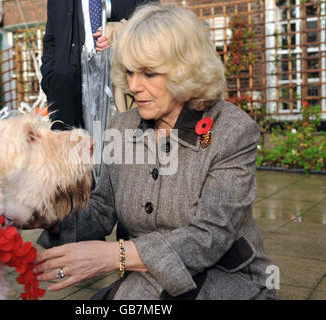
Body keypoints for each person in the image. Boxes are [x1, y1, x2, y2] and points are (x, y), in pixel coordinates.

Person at [33, 3, 276, 300]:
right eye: (130, 71)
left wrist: (115, 256)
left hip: (224, 278)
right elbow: (99, 211)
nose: (134, 86)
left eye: (149, 74)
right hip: (148, 279)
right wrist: (47, 214)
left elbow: (209, 236)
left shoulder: (231, 130)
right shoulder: (122, 127)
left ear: (185, 70)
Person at [40, 0, 154, 131]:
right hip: (69, 96)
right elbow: (51, 39)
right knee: (79, 149)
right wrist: (51, 82)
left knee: (122, 147)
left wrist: (117, 37)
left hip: (122, 91)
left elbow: (154, 24)